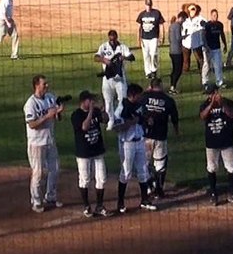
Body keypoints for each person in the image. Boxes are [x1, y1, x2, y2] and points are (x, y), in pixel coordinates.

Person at [113, 83, 158, 213]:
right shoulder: (121, 108)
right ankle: (120, 202)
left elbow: (142, 118)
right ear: (132, 95)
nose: (140, 98)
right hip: (127, 143)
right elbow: (116, 128)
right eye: (138, 95)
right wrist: (130, 123)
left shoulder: (138, 105)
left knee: (143, 171)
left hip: (140, 141)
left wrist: (147, 121)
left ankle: (145, 200)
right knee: (126, 172)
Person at [23, 74, 63, 212]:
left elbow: (57, 118)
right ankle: (36, 201)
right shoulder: (30, 104)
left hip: (50, 141)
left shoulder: (51, 98)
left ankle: (50, 197)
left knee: (55, 169)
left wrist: (58, 112)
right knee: (38, 173)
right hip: (36, 144)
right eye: (44, 84)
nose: (47, 86)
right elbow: (32, 124)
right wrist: (47, 116)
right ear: (36, 85)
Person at [199, 84, 233, 206]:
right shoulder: (204, 105)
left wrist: (222, 104)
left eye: (212, 93)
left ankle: (232, 194)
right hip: (212, 143)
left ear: (217, 92)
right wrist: (211, 105)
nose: (210, 96)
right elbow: (202, 116)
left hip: (227, 142)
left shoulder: (228, 102)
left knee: (232, 168)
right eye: (208, 94)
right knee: (211, 168)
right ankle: (214, 194)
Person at [70, 91, 111, 218]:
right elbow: (84, 127)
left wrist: (103, 111)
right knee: (85, 179)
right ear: (84, 101)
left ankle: (99, 205)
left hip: (97, 150)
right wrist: (91, 111)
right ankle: (87, 206)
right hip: (84, 153)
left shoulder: (96, 111)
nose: (92, 102)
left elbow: (106, 120)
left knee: (102, 178)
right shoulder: (76, 115)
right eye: (90, 100)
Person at [141, 77, 179, 199]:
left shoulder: (144, 97)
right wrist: (177, 130)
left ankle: (148, 187)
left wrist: (146, 92)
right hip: (160, 136)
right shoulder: (168, 100)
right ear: (161, 86)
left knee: (144, 163)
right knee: (160, 163)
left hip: (145, 136)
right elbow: (174, 118)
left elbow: (133, 102)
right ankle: (159, 189)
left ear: (151, 86)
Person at [95, 30, 135, 129]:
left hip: (120, 78)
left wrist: (124, 57)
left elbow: (132, 57)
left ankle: (117, 117)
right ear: (109, 38)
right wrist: (103, 59)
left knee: (123, 100)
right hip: (107, 78)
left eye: (114, 38)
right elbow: (96, 57)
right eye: (110, 39)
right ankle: (111, 120)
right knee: (108, 103)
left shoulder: (122, 47)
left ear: (116, 37)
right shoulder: (103, 46)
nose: (112, 41)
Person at [135, 0, 165, 80]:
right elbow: (139, 28)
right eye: (147, 5)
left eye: (150, 5)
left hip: (154, 37)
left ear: (152, 4)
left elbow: (161, 25)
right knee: (146, 55)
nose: (149, 6)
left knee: (154, 54)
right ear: (145, 5)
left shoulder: (156, 13)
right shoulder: (142, 14)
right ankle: (147, 72)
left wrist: (162, 36)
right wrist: (138, 39)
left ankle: (154, 70)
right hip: (144, 38)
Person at [183, 4, 207, 87]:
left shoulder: (200, 19)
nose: (192, 11)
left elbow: (205, 27)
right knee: (185, 61)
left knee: (200, 60)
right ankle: (185, 73)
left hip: (197, 43)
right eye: (191, 10)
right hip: (186, 43)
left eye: (193, 9)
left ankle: (202, 72)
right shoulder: (185, 20)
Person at [203, 9, 227, 91]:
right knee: (207, 65)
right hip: (208, 48)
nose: (215, 17)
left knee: (218, 65)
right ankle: (205, 81)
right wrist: (206, 47)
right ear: (211, 15)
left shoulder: (220, 24)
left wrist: (225, 44)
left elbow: (222, 34)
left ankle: (219, 81)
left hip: (217, 48)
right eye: (214, 15)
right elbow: (204, 37)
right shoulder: (208, 25)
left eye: (216, 15)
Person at [167, 11, 186, 94]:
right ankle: (172, 87)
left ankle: (172, 86)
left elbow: (169, 38)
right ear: (181, 18)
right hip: (177, 51)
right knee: (178, 70)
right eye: (184, 19)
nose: (184, 21)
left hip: (171, 50)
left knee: (174, 69)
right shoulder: (178, 26)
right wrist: (185, 36)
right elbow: (178, 38)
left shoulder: (171, 25)